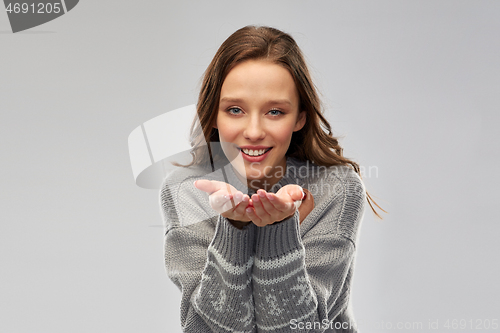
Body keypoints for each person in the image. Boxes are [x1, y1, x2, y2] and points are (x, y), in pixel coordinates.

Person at [160, 25, 385, 333]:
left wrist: (279, 231)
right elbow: (204, 329)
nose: (253, 131)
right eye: (235, 109)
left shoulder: (336, 188)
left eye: (275, 112)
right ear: (213, 114)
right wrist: (234, 228)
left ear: (300, 118)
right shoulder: (186, 190)